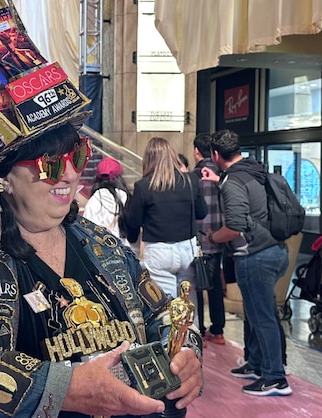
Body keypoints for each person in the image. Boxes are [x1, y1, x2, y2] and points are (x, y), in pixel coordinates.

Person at [0, 123, 203, 417]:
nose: (70, 175)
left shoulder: (104, 244)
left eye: (77, 156)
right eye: (50, 164)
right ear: (2, 178)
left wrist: (184, 351)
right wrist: (60, 389)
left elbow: (162, 312)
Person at [202, 129, 292, 397]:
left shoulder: (232, 182)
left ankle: (275, 377)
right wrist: (219, 180)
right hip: (276, 250)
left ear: (215, 155)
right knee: (257, 313)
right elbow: (249, 198)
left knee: (261, 317)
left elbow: (235, 225)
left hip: (256, 256)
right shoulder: (255, 169)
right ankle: (256, 362)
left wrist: (213, 236)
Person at [124, 137, 207, 315]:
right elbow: (202, 212)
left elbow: (133, 221)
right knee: (188, 306)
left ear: (148, 159)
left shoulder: (143, 186)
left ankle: (170, 342)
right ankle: (192, 341)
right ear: (172, 156)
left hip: (159, 251)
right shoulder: (191, 181)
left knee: (166, 309)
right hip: (187, 249)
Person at [191, 134, 226, 346]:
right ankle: (218, 330)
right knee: (214, 285)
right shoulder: (222, 174)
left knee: (196, 286)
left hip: (197, 240)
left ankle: (200, 329)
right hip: (219, 236)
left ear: (196, 151)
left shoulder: (194, 176)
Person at [81, 157, 133, 249]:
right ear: (119, 177)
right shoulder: (126, 197)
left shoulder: (94, 200)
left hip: (102, 253)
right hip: (126, 252)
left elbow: (86, 230)